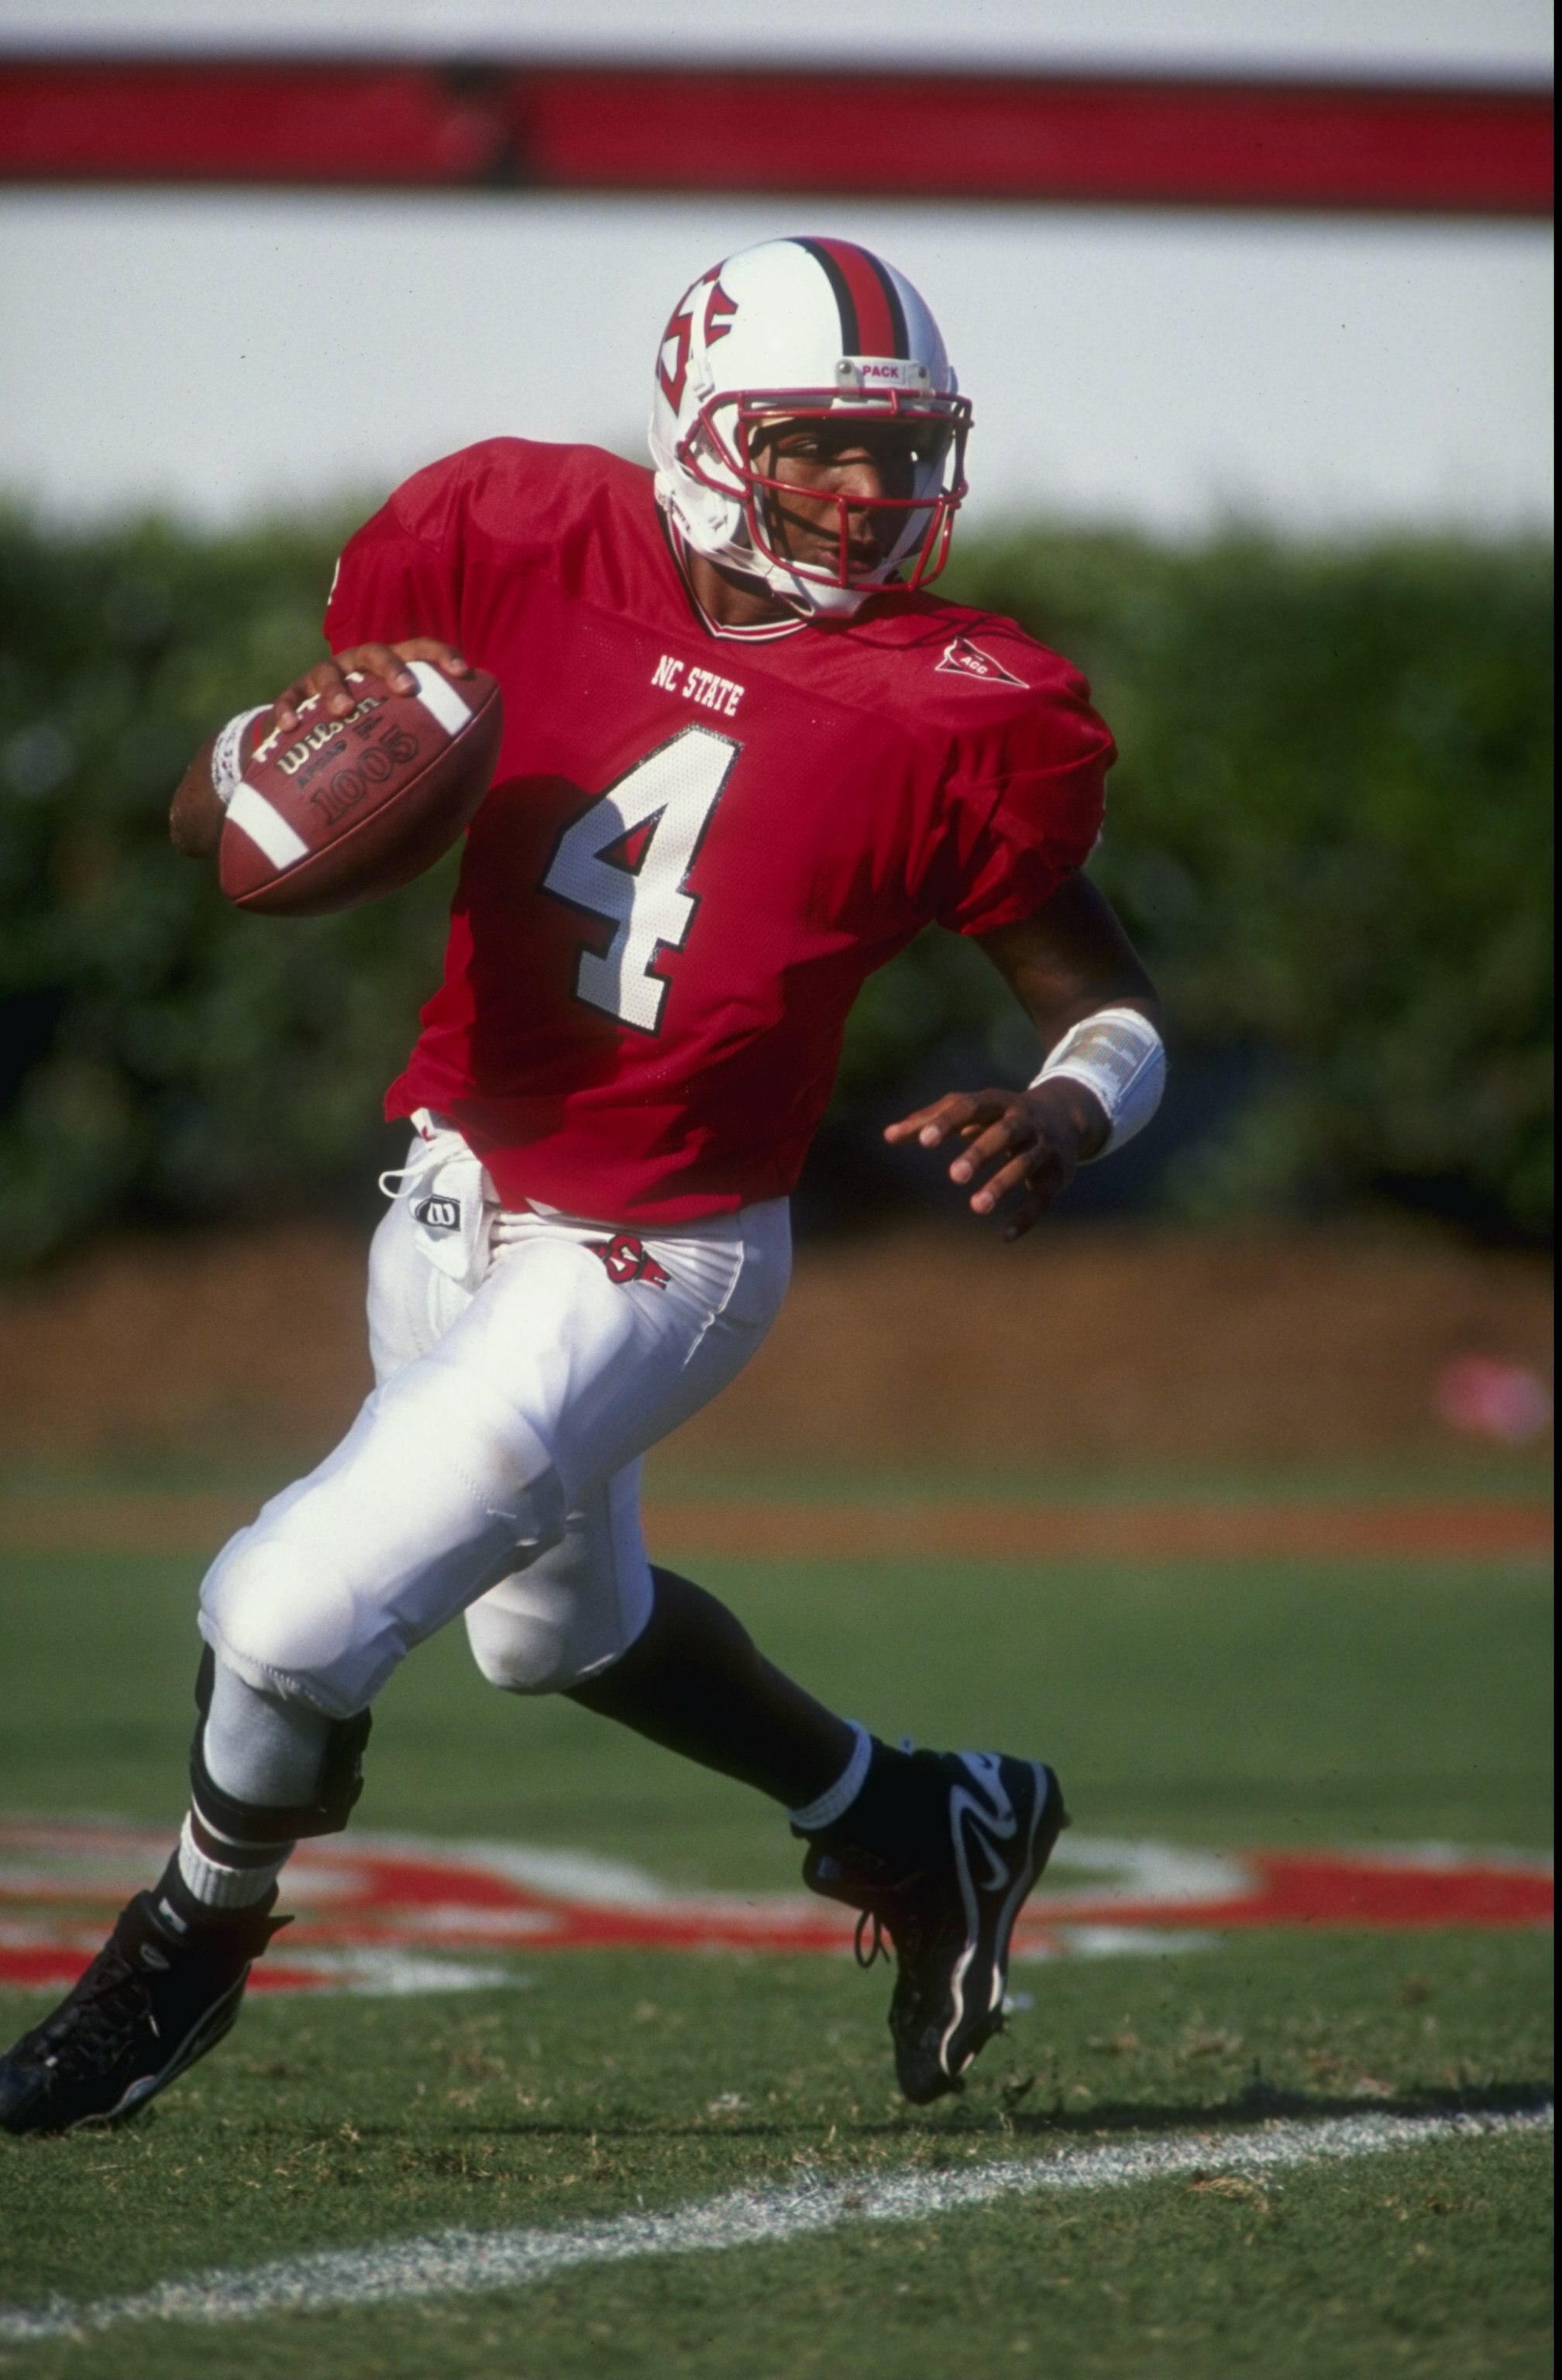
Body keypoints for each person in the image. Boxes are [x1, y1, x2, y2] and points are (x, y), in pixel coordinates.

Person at [0, 235, 1164, 2137]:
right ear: (704, 430)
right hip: (455, 1178)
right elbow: (230, 809)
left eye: (904, 453)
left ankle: (181, 1952)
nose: (874, 495)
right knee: (554, 1637)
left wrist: (1073, 1108)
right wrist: (254, 766)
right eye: (818, 446)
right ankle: (921, 1815)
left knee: (290, 1614)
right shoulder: (511, 529)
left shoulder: (962, 704)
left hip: (661, 1249)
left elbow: (1101, 999)